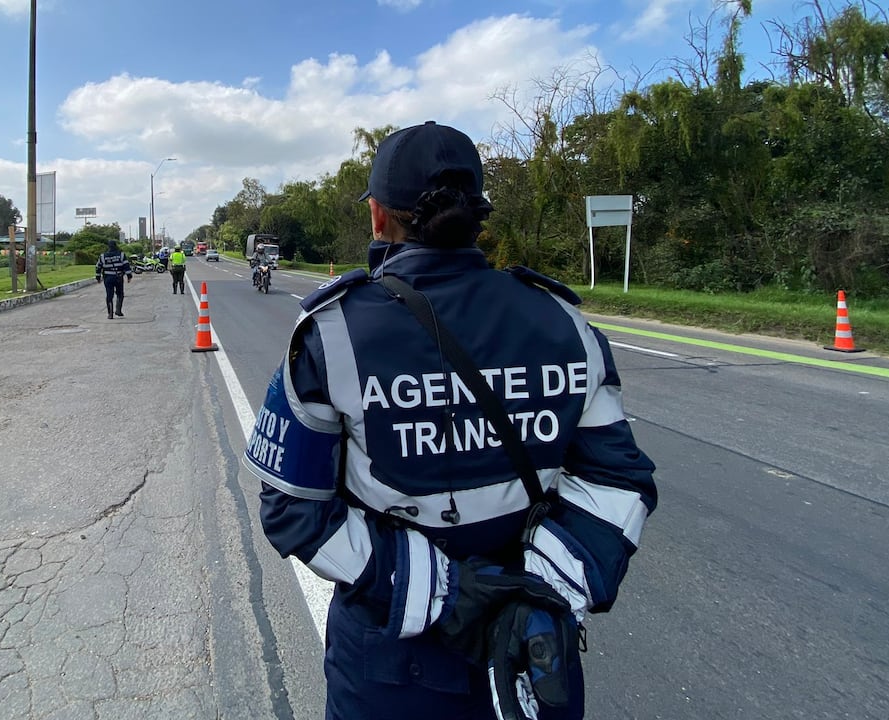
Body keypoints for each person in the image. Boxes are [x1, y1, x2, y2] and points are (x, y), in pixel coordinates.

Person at [243, 121, 657, 719]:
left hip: (392, 663)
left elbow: (293, 509)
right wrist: (531, 595)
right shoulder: (565, 322)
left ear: (378, 217)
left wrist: (450, 596)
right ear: (477, 215)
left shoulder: (331, 333)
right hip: (531, 656)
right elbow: (618, 481)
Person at [95, 239, 132, 319]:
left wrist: (98, 277)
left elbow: (98, 267)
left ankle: (110, 314)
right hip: (118, 277)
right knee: (120, 294)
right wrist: (129, 276)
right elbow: (126, 265)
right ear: (116, 245)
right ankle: (118, 310)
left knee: (109, 295)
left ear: (108, 246)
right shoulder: (121, 254)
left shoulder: (103, 256)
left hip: (108, 278)